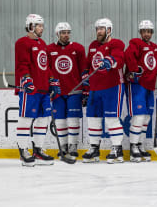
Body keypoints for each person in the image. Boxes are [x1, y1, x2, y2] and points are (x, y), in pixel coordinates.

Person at [15, 14, 61, 166]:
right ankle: (23, 151)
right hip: (30, 89)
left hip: (43, 89)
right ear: (30, 26)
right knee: (26, 118)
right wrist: (26, 79)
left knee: (43, 120)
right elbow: (22, 64)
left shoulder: (42, 43)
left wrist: (52, 80)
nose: (42, 28)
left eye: (42, 25)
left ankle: (38, 150)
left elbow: (45, 66)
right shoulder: (22, 42)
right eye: (39, 25)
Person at [124, 20, 157, 162]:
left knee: (146, 118)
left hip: (150, 86)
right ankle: (133, 147)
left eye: (149, 31)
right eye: (144, 31)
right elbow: (128, 55)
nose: (147, 34)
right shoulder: (135, 43)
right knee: (138, 117)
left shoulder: (155, 47)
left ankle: (140, 144)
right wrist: (134, 69)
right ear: (140, 32)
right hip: (137, 85)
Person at [82, 18, 126, 164]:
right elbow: (88, 63)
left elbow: (119, 58)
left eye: (102, 28)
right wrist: (85, 74)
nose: (99, 31)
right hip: (95, 88)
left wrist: (109, 61)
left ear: (109, 30)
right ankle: (94, 148)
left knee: (111, 118)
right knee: (93, 118)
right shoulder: (93, 45)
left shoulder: (116, 43)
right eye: (97, 29)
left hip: (112, 87)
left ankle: (117, 149)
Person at [47, 22, 87, 159]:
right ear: (57, 34)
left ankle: (73, 146)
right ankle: (63, 146)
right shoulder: (49, 49)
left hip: (74, 91)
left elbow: (84, 71)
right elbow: (47, 70)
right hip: (57, 91)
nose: (66, 35)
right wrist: (49, 84)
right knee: (60, 120)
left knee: (73, 120)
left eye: (68, 32)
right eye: (63, 32)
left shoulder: (78, 48)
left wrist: (85, 90)